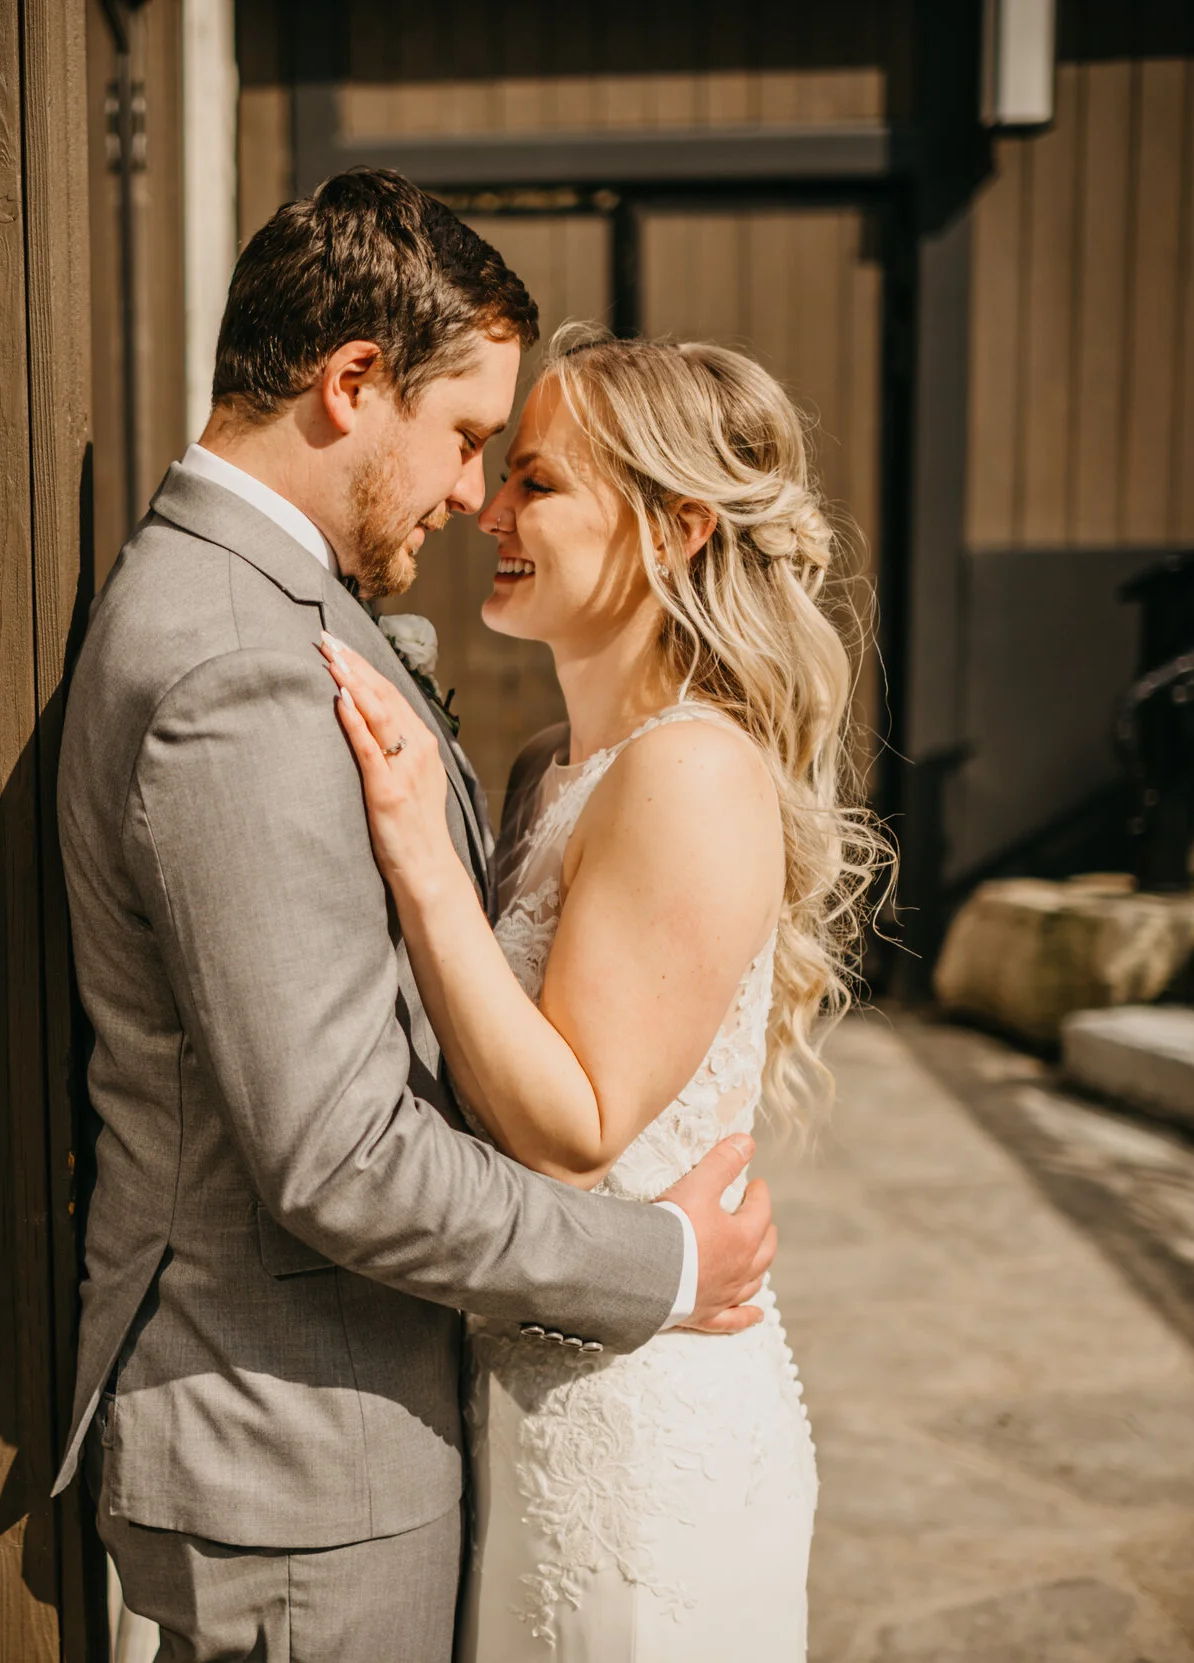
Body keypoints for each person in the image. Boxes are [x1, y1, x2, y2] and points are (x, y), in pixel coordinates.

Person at [54, 167, 782, 1662]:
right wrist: (656, 1265)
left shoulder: (274, 607)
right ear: (351, 384)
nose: (471, 497)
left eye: (516, 469)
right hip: (296, 1449)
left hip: (411, 1418)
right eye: (463, 438)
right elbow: (339, 1150)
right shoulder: (238, 660)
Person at [320, 322, 882, 1658]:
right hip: (523, 1403)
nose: (490, 512)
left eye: (539, 482)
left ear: (676, 530)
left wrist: (420, 859)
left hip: (642, 1442)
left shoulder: (692, 772)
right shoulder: (548, 769)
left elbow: (576, 1128)